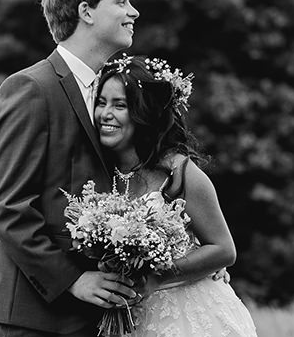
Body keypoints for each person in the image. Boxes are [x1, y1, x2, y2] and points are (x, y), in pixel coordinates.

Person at [0, 0, 142, 337]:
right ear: (86, 11)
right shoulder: (30, 89)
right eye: (121, 2)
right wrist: (72, 280)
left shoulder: (111, 94)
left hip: (93, 313)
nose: (133, 11)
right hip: (37, 312)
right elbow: (7, 206)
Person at [94, 54, 259, 337]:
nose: (105, 114)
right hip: (130, 319)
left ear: (142, 113)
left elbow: (223, 250)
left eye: (119, 105)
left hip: (189, 318)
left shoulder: (179, 172)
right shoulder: (97, 170)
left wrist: (156, 278)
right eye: (101, 102)